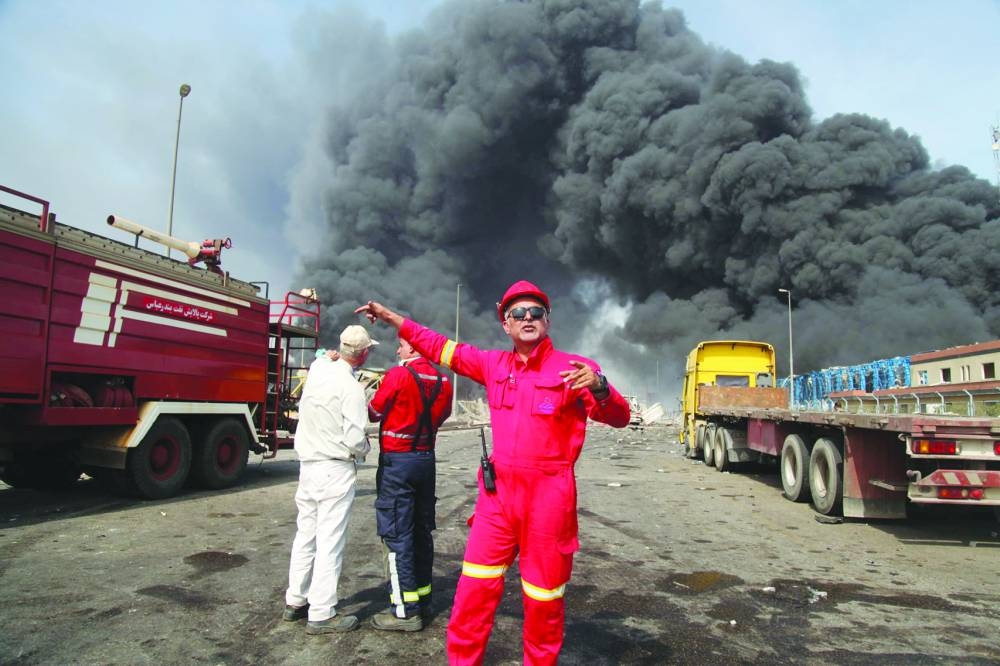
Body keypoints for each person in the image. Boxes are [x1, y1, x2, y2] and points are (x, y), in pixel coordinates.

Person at [356, 280, 631, 665]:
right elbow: (437, 346)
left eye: (536, 312)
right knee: (473, 594)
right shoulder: (492, 365)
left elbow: (619, 418)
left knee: (543, 601)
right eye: (517, 313)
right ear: (506, 324)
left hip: (548, 503)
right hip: (497, 502)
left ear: (547, 321)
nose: (527, 318)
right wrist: (391, 319)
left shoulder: (576, 369)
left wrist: (601, 388)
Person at [282, 324, 378, 634]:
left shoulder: (319, 368)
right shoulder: (351, 388)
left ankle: (295, 600)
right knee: (330, 541)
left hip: (307, 467)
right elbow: (354, 437)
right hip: (334, 469)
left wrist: (328, 355)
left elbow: (322, 357)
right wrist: (365, 448)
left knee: (305, 534)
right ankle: (322, 613)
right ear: (362, 355)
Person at [367, 338, 453, 632]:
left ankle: (404, 611)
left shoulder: (399, 375)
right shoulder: (444, 379)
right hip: (426, 460)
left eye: (401, 345)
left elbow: (374, 411)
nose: (398, 350)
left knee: (396, 534)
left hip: (397, 463)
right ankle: (423, 599)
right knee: (420, 530)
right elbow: (442, 416)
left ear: (414, 349)